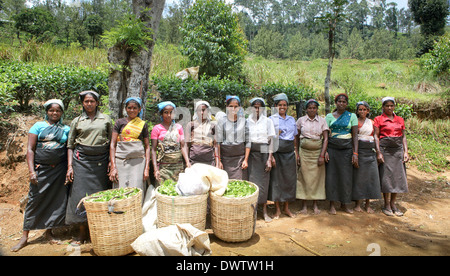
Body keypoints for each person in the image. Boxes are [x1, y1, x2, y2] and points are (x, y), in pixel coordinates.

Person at [11, 99, 70, 252]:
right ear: (47, 111)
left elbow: (69, 148)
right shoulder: (38, 126)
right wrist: (31, 171)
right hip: (41, 170)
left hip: (59, 170)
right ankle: (25, 236)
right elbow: (30, 150)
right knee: (34, 201)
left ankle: (49, 232)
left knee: (56, 201)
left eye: (58, 110)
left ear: (62, 112)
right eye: (51, 110)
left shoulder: (66, 129)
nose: (55, 113)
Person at [65, 90, 113, 244]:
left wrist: (112, 163)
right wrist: (70, 166)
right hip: (82, 162)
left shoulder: (106, 119)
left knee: (100, 195)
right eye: (86, 101)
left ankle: (98, 232)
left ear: (97, 103)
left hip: (101, 162)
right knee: (80, 196)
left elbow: (112, 142)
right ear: (82, 103)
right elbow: (70, 145)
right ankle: (81, 233)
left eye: (92, 101)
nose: (89, 104)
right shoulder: (77, 121)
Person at [374, 97, 409, 217]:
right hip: (385, 150)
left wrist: (406, 152)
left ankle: (394, 204)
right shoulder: (378, 119)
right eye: (387, 106)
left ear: (394, 106)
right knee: (386, 177)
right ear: (383, 107)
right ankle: (386, 204)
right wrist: (378, 152)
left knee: (397, 177)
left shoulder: (400, 119)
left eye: (391, 105)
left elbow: (403, 136)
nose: (389, 108)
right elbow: (376, 136)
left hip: (398, 150)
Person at [325, 93, 359, 215]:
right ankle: (332, 204)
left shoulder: (352, 116)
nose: (341, 103)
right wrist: (326, 152)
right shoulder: (329, 116)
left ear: (347, 104)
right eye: (339, 101)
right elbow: (325, 136)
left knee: (346, 177)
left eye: (344, 102)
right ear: (336, 103)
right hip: (332, 149)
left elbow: (355, 136)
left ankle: (345, 204)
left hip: (347, 150)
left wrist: (355, 153)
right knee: (332, 176)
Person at [109, 97, 150, 193]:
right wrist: (113, 167)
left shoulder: (142, 125)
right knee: (120, 188)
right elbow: (112, 144)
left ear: (139, 109)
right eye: (129, 108)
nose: (132, 110)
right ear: (125, 109)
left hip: (138, 162)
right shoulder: (119, 123)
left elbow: (147, 146)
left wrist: (146, 168)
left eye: (135, 108)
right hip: (121, 160)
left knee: (136, 189)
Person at [296, 99, 329, 215]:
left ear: (317, 109)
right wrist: (297, 153)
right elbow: (296, 137)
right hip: (304, 152)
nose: (312, 110)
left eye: (314, 108)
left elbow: (325, 139)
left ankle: (315, 205)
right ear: (306, 109)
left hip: (317, 152)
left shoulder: (322, 121)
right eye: (310, 108)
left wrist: (322, 155)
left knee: (317, 178)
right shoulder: (301, 120)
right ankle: (304, 206)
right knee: (303, 177)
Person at [247, 97, 276, 222]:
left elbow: (271, 141)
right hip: (251, 152)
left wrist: (270, 158)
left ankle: (264, 211)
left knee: (264, 183)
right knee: (252, 183)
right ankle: (252, 212)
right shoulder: (247, 121)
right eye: (255, 107)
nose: (257, 109)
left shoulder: (268, 121)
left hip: (264, 152)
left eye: (259, 107)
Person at [268, 93, 297, 219]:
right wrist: (271, 156)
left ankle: (286, 208)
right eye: (280, 105)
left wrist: (296, 151)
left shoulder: (291, 119)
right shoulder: (271, 119)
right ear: (275, 106)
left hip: (289, 153)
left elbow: (294, 137)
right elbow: (269, 139)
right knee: (276, 181)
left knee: (289, 180)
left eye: (285, 105)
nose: (282, 107)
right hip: (277, 153)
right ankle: (277, 209)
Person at [352, 101, 381, 213]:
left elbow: (375, 136)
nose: (362, 111)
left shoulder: (372, 122)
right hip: (359, 151)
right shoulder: (355, 122)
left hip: (370, 152)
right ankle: (358, 203)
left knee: (370, 178)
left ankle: (368, 204)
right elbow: (354, 137)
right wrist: (355, 153)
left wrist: (378, 152)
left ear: (368, 111)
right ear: (357, 111)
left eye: (364, 109)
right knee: (359, 178)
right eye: (360, 109)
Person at [151, 101, 190, 183]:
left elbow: (182, 146)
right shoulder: (157, 128)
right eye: (166, 112)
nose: (169, 115)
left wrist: (187, 162)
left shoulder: (179, 127)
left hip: (178, 166)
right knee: (162, 190)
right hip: (163, 167)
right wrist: (155, 169)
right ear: (161, 114)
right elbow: (153, 150)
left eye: (171, 112)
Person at [216, 96, 250, 180]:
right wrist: (219, 161)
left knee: (239, 184)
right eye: (231, 106)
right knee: (225, 183)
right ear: (227, 107)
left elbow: (248, 141)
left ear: (239, 107)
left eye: (236, 106)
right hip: (225, 160)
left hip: (239, 160)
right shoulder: (221, 121)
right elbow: (218, 143)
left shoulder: (243, 121)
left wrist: (245, 160)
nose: (233, 108)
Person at [186, 100, 219, 167]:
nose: (201, 112)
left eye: (204, 110)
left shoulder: (213, 126)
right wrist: (187, 161)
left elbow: (216, 146)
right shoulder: (191, 125)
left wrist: (218, 163)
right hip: (194, 161)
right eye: (199, 110)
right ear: (196, 111)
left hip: (209, 161)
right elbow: (186, 145)